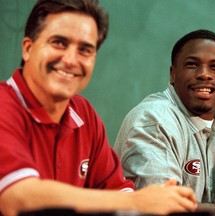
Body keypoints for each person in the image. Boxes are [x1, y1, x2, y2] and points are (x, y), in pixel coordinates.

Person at [0, 1, 198, 215]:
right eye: (58, 43)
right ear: (28, 49)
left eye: (85, 50)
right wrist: (138, 201)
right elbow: (18, 198)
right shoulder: (4, 105)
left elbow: (118, 191)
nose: (70, 60)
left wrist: (156, 201)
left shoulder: (83, 113)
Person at [114, 29, 215, 212]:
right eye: (192, 65)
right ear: (173, 74)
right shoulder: (154, 120)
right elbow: (162, 207)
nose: (205, 74)